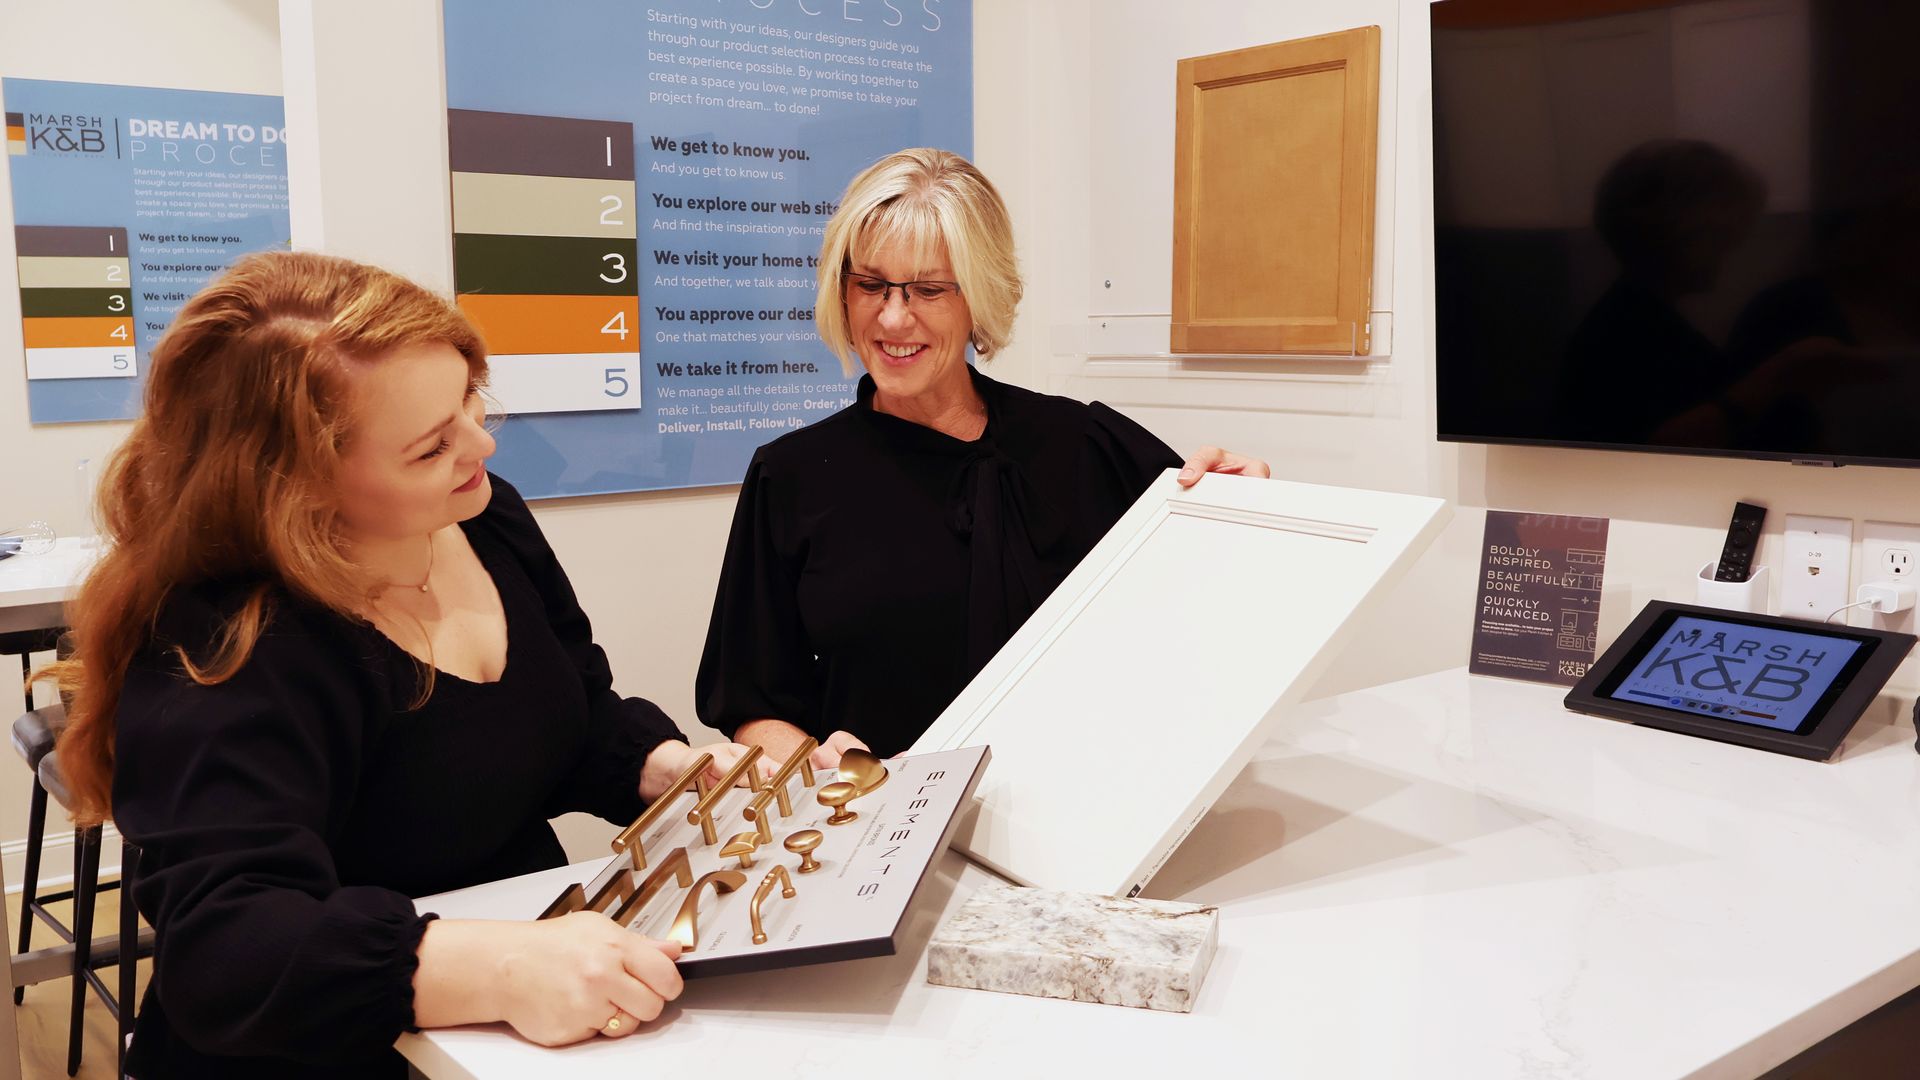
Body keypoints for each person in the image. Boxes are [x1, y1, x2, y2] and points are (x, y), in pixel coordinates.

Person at [41, 251, 757, 1079]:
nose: (481, 442)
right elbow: (227, 946)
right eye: (430, 447)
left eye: (471, 400)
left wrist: (665, 770)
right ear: (295, 485)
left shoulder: (484, 517)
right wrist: (499, 969)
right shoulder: (229, 641)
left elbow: (569, 711)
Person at [696, 148, 1269, 768]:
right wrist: (827, 768)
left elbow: (1212, 613)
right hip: (889, 818)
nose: (893, 316)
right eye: (870, 285)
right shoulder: (792, 477)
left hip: (1094, 797)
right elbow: (751, 706)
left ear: (981, 296)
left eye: (928, 290)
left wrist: (1252, 513)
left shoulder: (1083, 445)